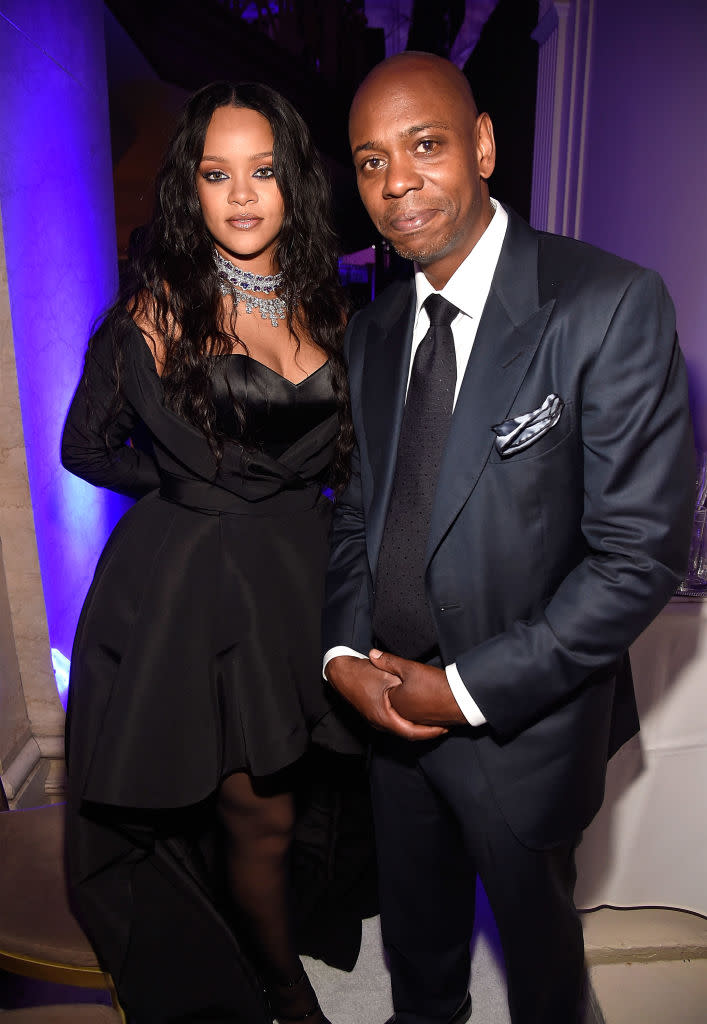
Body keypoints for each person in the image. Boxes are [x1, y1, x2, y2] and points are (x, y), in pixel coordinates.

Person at [322, 52, 695, 1024]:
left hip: (520, 722)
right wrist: (340, 652)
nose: (395, 181)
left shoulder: (606, 303)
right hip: (387, 706)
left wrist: (464, 688)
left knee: (540, 977)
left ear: (482, 144)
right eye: (368, 160)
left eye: (424, 144)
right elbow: (361, 508)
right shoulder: (370, 331)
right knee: (418, 960)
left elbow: (634, 557)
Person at [62, 81, 371, 1024]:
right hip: (192, 590)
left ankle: (274, 955)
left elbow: (358, 453)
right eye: (216, 173)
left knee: (282, 802)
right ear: (189, 189)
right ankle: (280, 990)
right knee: (238, 804)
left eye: (263, 171)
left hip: (294, 580)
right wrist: (185, 488)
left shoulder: (337, 306)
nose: (241, 196)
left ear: (294, 185)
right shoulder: (156, 312)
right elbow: (86, 445)